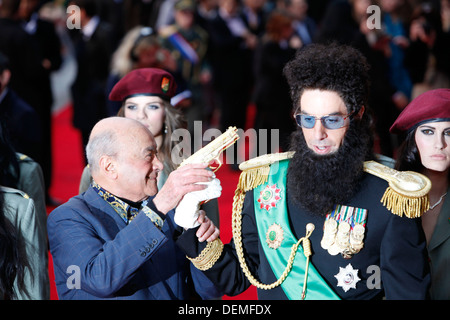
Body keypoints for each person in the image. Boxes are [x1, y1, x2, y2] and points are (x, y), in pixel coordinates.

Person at [175, 43, 431, 299]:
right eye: (307, 119)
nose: (318, 134)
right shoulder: (266, 183)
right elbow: (238, 278)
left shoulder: (390, 198)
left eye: (332, 120)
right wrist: (193, 226)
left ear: (358, 115)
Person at [48, 115, 222, 300]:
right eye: (149, 155)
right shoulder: (67, 218)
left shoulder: (171, 212)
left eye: (156, 153)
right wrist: (159, 207)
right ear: (109, 167)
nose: (159, 165)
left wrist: (200, 242)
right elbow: (100, 279)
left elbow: (208, 292)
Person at [79, 68, 220, 227]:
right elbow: (86, 227)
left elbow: (210, 242)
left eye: (152, 106)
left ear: (166, 114)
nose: (141, 115)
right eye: (132, 107)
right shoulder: (98, 171)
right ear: (123, 113)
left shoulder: (194, 172)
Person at [390, 88, 450, 300]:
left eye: (448, 133)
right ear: (413, 138)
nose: (439, 144)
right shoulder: (390, 194)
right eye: (428, 131)